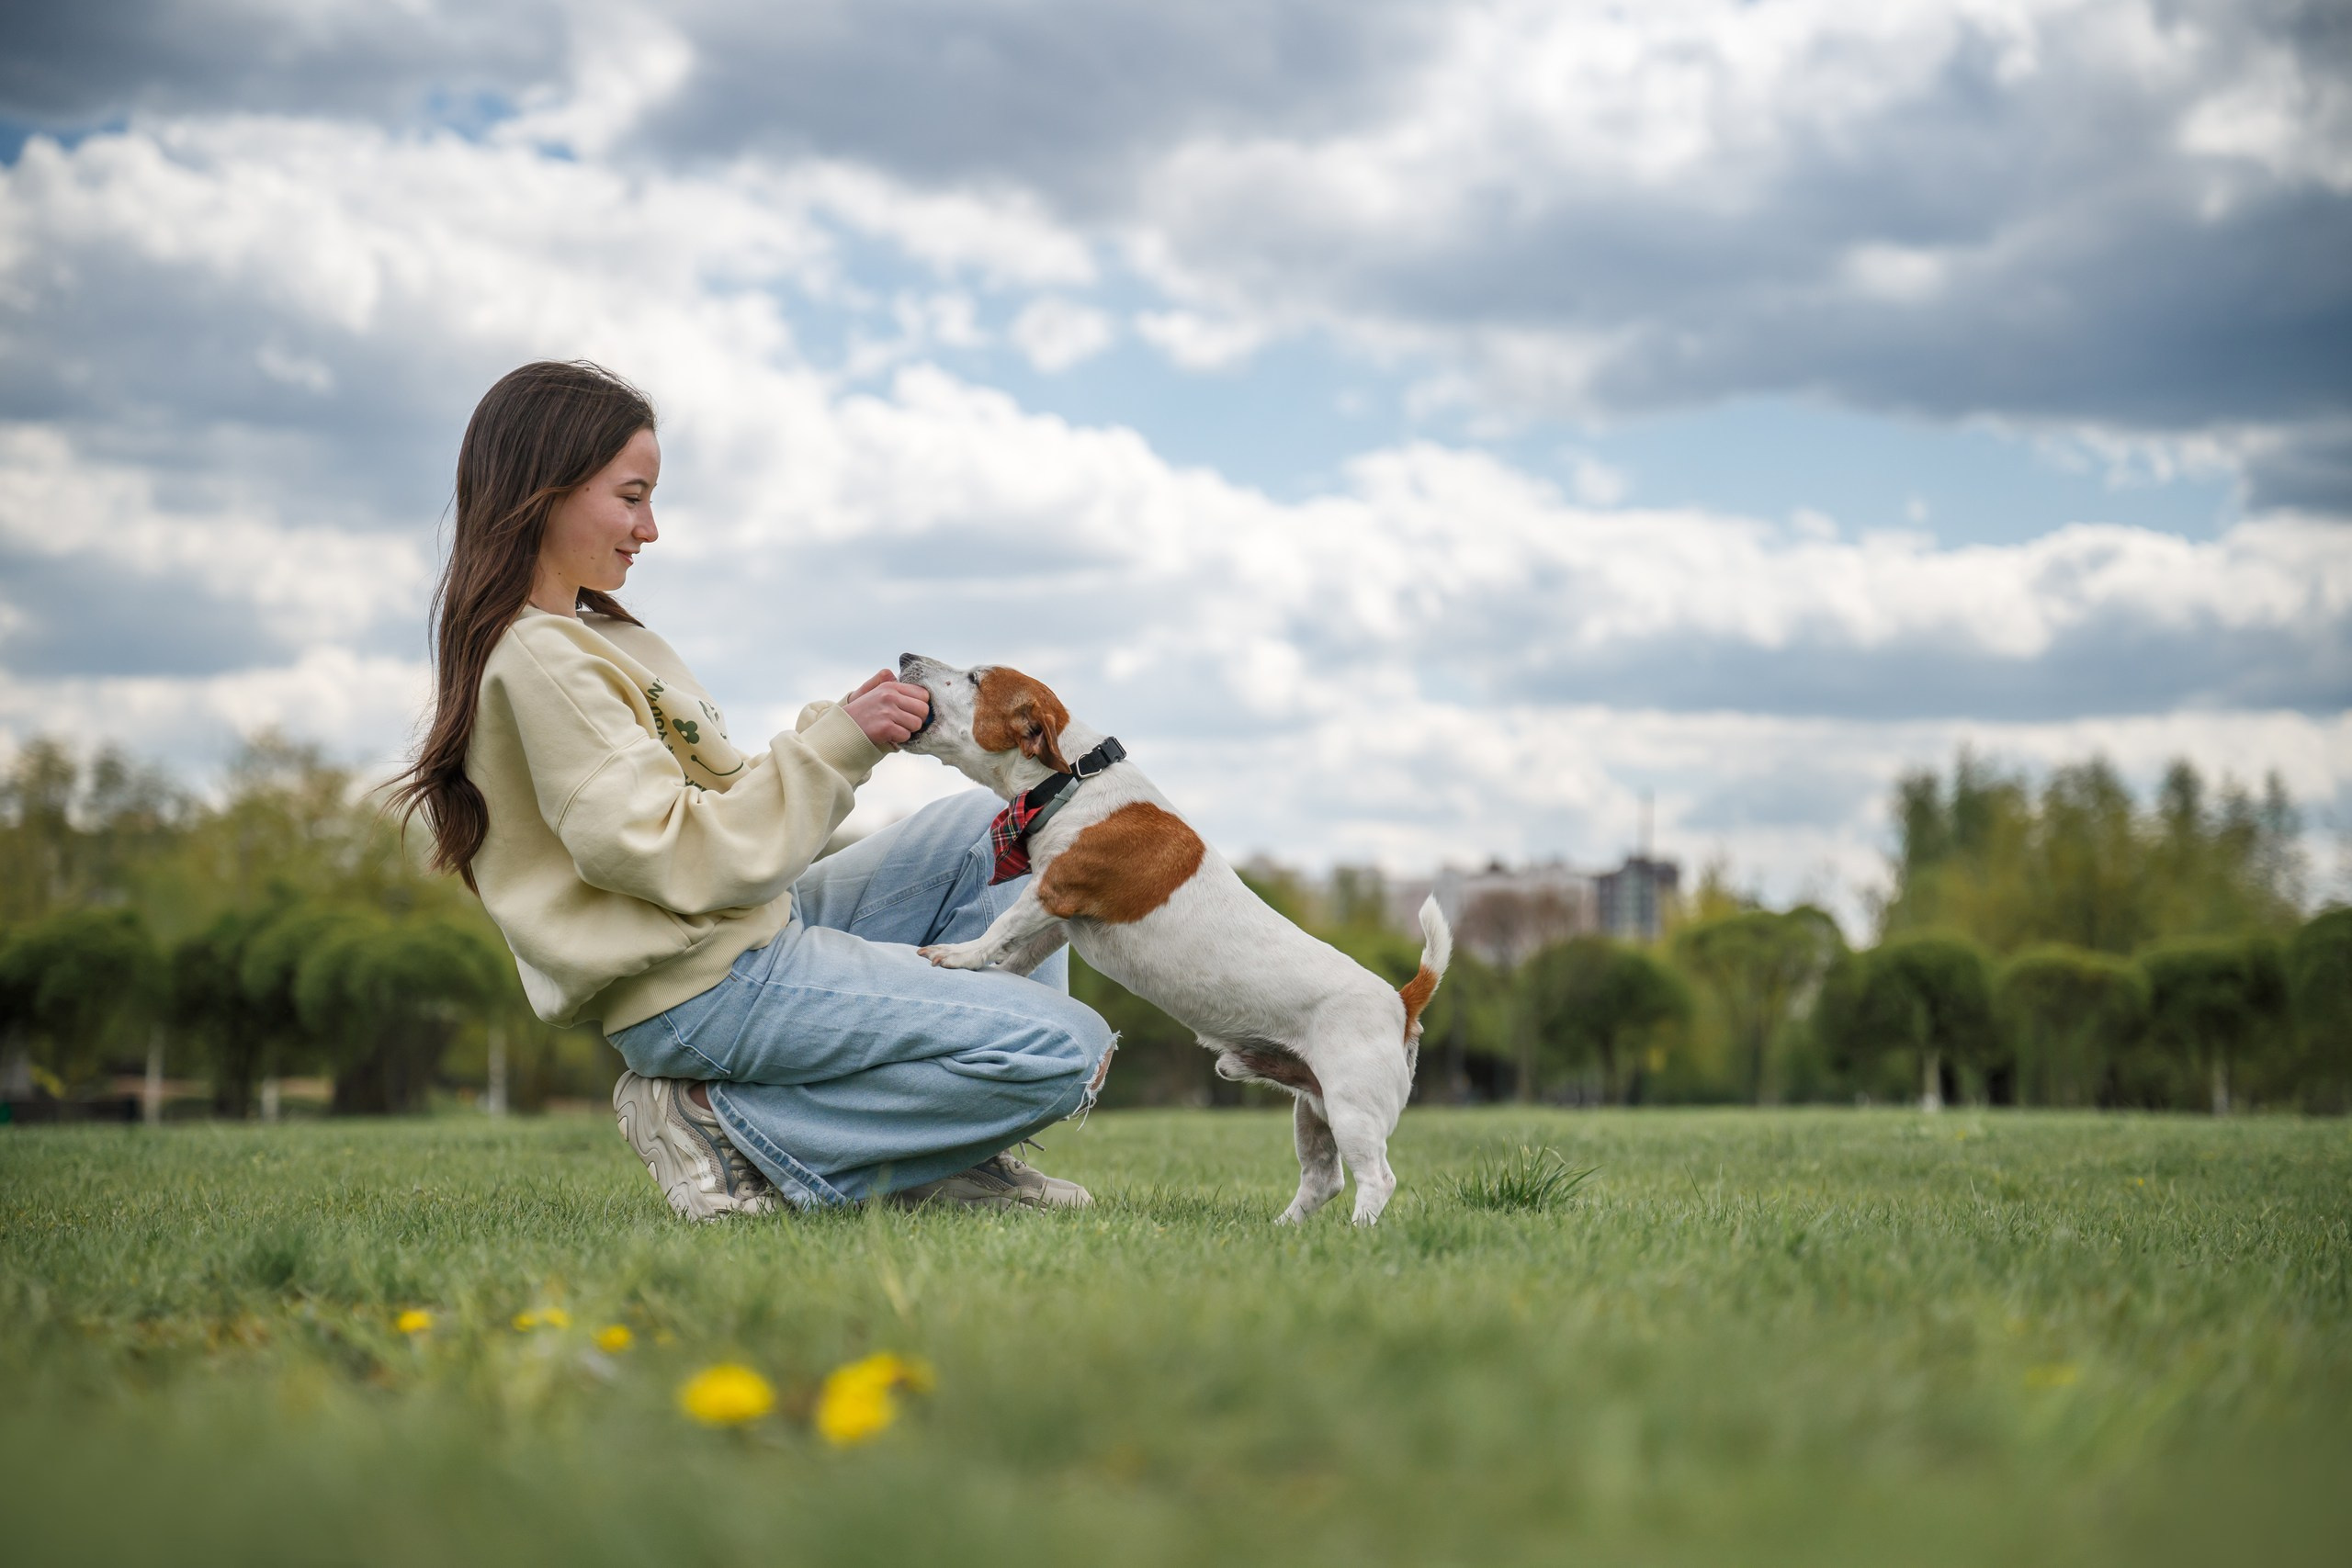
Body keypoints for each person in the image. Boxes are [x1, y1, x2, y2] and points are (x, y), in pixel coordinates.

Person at [392, 360, 1113, 1219]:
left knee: (998, 834)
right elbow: (667, 849)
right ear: (543, 490)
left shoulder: (594, 636)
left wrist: (836, 729)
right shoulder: (540, 662)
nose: (649, 528)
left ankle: (946, 1155)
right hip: (697, 982)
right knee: (1065, 1049)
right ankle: (720, 1123)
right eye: (631, 496)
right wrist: (834, 752)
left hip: (737, 930)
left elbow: (722, 795)